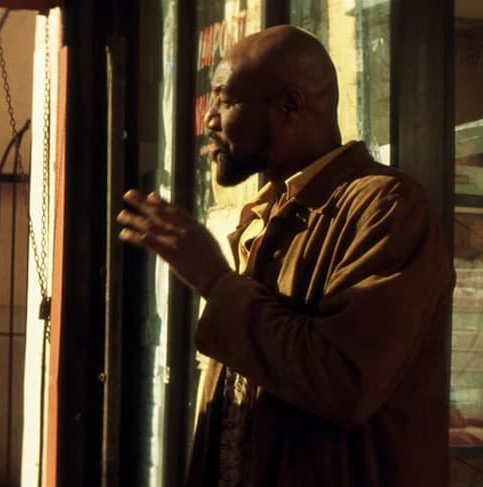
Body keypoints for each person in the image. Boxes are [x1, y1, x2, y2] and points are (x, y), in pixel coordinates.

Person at [118, 25, 454, 487]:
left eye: (225, 100)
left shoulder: (387, 207)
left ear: (290, 106)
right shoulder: (269, 213)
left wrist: (215, 280)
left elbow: (344, 381)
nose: (209, 120)